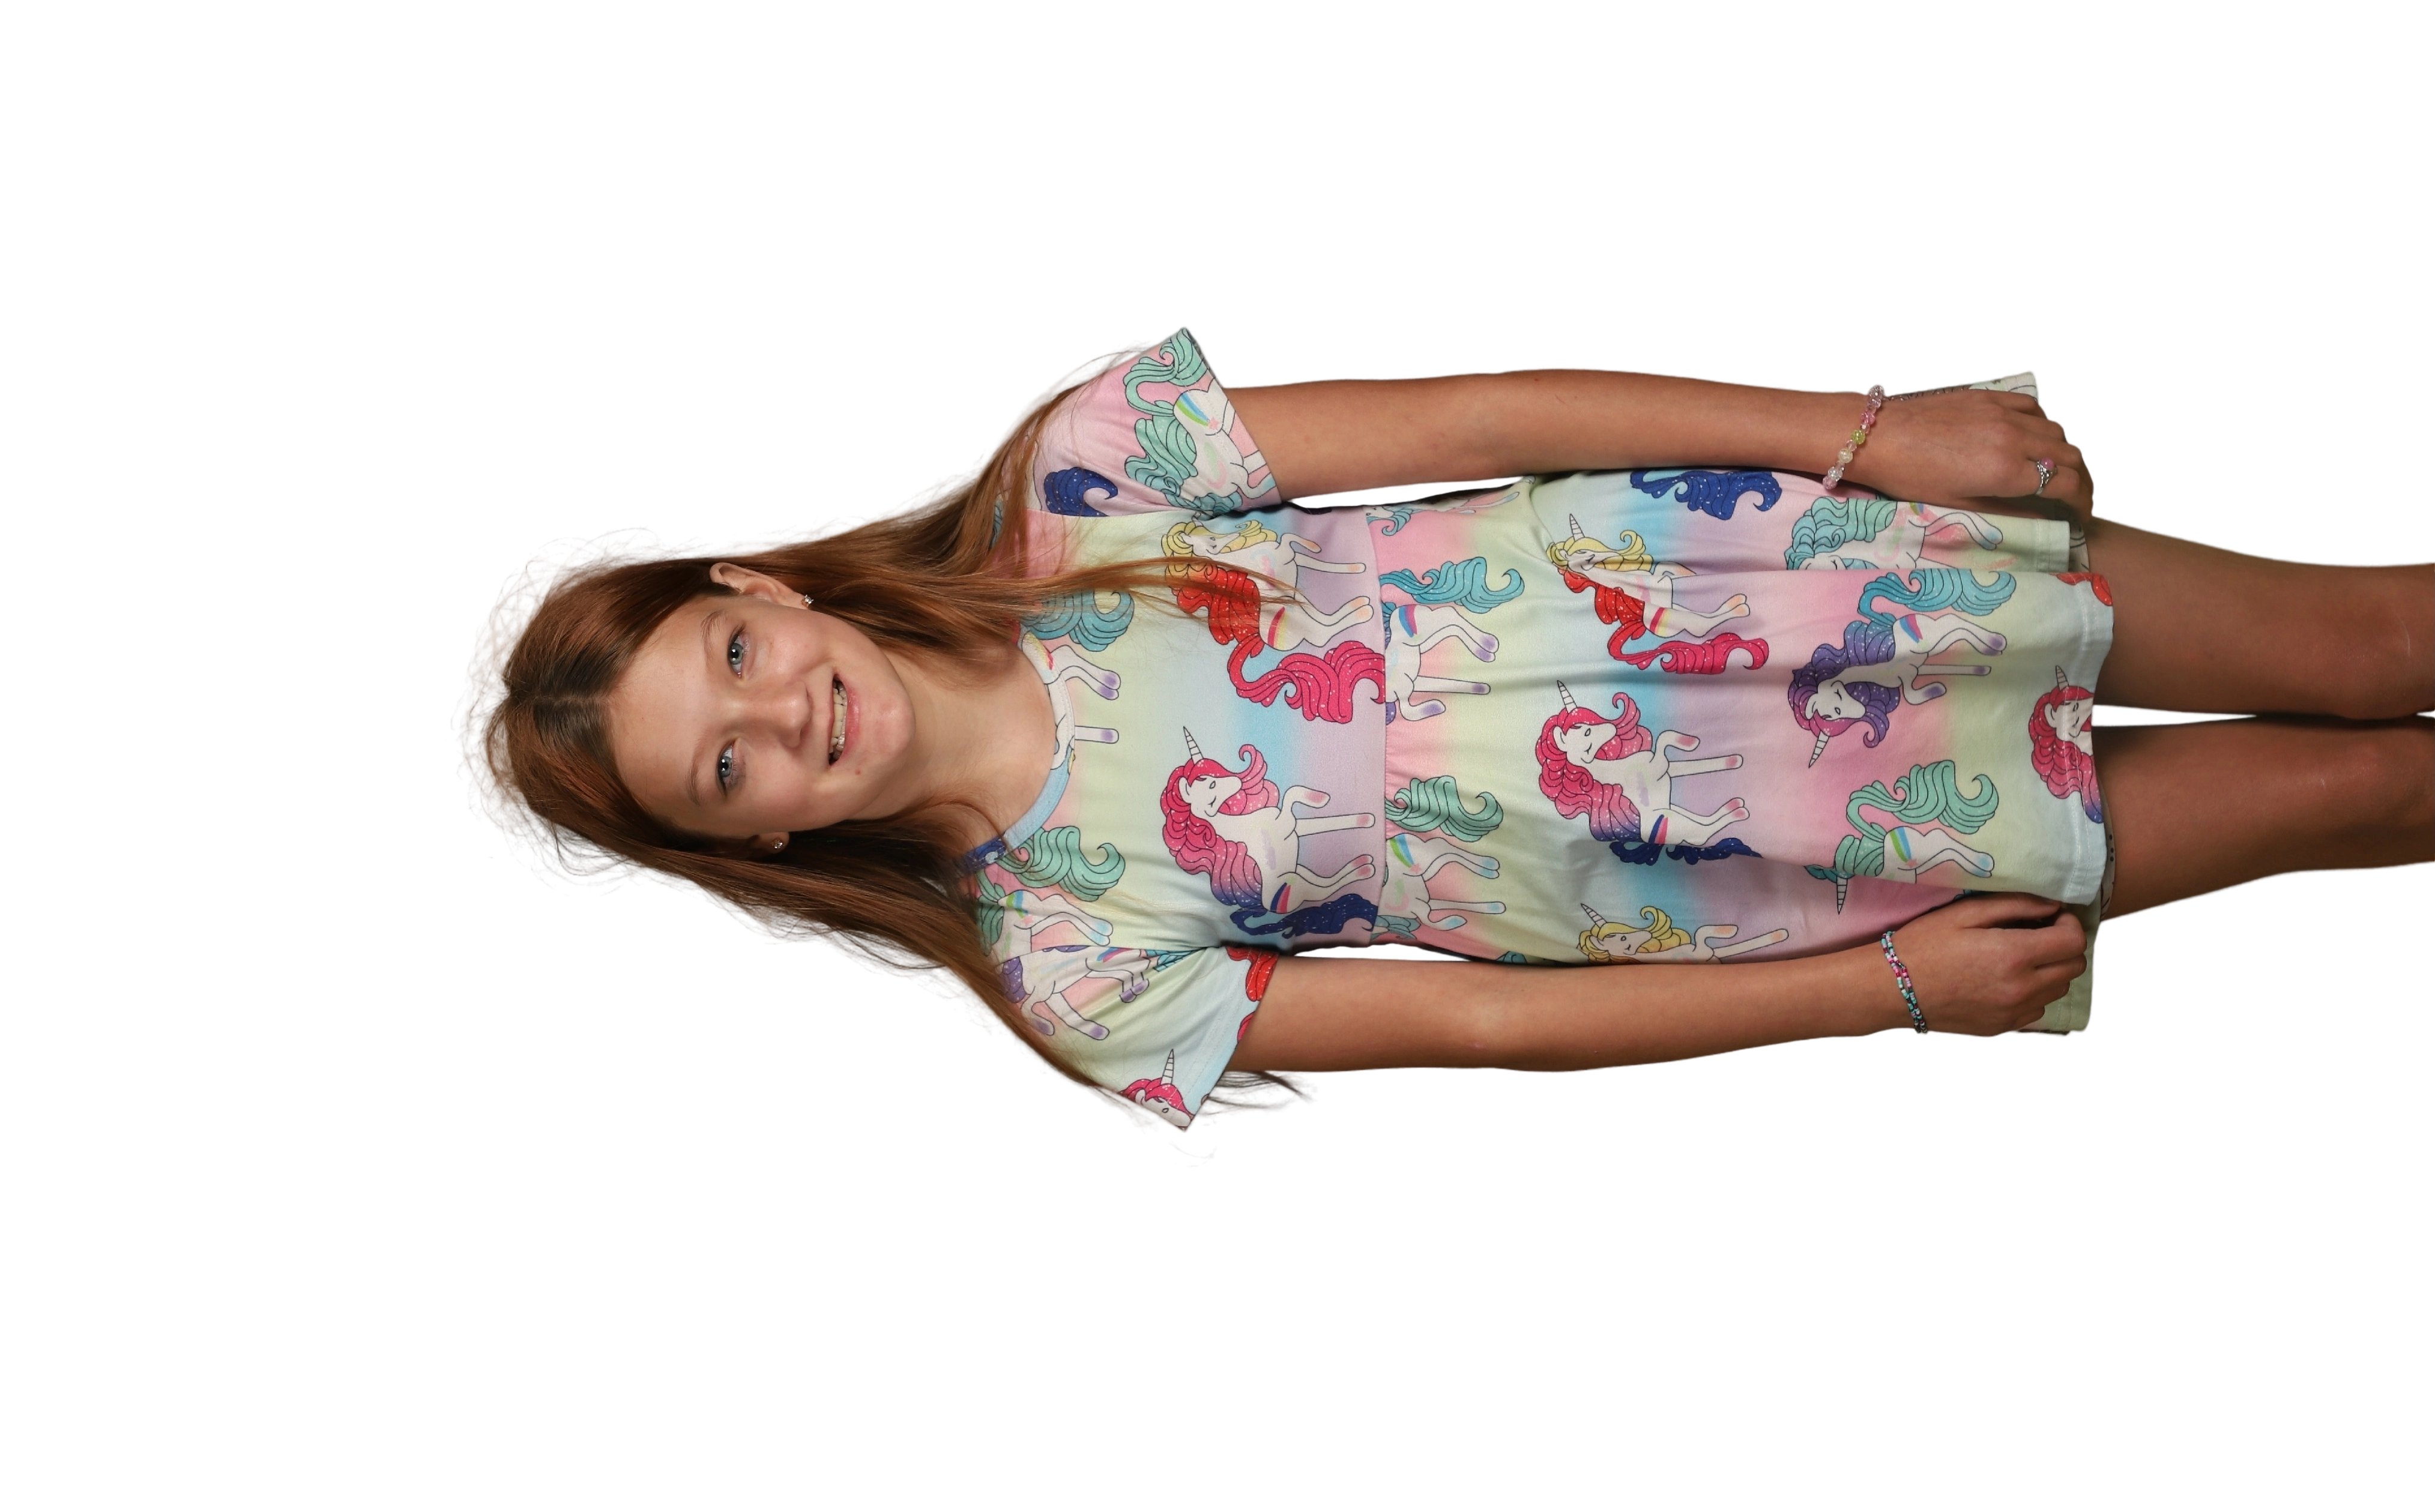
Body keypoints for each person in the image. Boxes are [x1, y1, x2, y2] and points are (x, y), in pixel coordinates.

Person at [447, 325, 2435, 1136]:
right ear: (754, 843)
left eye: (731, 653)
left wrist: (1864, 435)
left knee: (2377, 645)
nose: (783, 715)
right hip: (1808, 861)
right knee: (2371, 785)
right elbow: (1484, 1029)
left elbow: (1489, 424)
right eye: (728, 767)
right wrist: (1886, 991)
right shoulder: (1071, 965)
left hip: (1814, 574)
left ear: (764, 584)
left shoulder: (1086, 480)